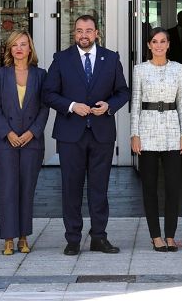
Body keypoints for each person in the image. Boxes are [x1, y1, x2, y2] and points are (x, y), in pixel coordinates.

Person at [42, 14, 130, 255]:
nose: (84, 35)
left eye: (88, 30)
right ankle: (72, 239)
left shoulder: (111, 58)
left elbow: (123, 92)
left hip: (102, 133)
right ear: (74, 33)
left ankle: (99, 237)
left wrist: (109, 106)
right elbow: (48, 93)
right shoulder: (61, 59)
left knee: (99, 189)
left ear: (96, 33)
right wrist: (71, 106)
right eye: (79, 30)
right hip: (70, 134)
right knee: (71, 188)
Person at [130, 28, 182, 252]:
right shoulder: (140, 70)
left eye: (162, 41)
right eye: (154, 42)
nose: (158, 45)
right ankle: (155, 236)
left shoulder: (178, 68)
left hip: (172, 130)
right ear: (149, 45)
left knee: (173, 186)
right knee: (149, 186)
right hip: (147, 130)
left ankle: (170, 235)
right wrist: (134, 134)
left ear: (168, 44)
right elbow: (135, 102)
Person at [0, 31, 49, 256]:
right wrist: (8, 132)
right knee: (7, 190)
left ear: (30, 48)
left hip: (31, 141)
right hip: (6, 142)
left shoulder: (41, 75)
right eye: (14, 45)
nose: (19, 49)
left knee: (26, 190)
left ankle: (23, 237)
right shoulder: (1, 74)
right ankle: (8, 238)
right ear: (9, 49)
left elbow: (45, 107)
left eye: (23, 44)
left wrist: (33, 132)